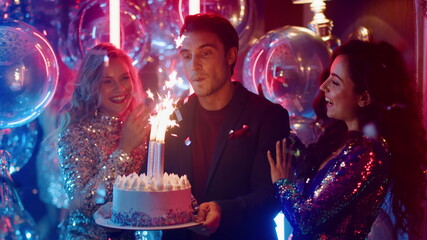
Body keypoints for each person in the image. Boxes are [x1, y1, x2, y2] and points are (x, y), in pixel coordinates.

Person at [268, 40, 426, 240]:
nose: (323, 86)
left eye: (335, 82)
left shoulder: (369, 153)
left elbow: (305, 221)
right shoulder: (342, 142)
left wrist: (282, 183)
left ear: (364, 98)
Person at [163, 13, 291, 240]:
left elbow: (273, 195)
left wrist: (223, 209)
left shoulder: (267, 115)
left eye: (205, 53)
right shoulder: (174, 117)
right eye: (187, 55)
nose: (195, 65)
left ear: (230, 55)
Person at [57, 42, 151, 239]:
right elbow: (86, 205)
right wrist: (124, 149)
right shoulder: (75, 133)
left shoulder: (144, 125)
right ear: (92, 85)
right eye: (107, 81)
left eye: (125, 78)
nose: (120, 88)